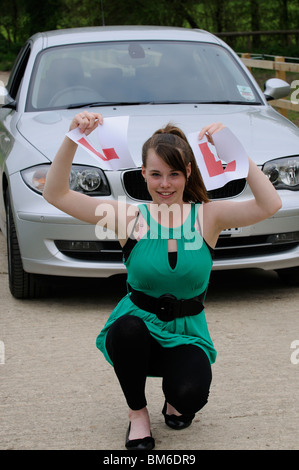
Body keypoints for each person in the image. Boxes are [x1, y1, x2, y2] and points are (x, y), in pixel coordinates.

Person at [43, 111, 281, 451]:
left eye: (173, 174)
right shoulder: (129, 218)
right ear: (143, 174)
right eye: (155, 174)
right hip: (137, 332)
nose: (164, 184)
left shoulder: (209, 216)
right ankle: (137, 414)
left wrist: (235, 151)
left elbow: (269, 203)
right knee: (126, 330)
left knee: (190, 396)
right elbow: (57, 195)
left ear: (187, 173)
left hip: (187, 333)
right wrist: (72, 137)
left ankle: (173, 399)